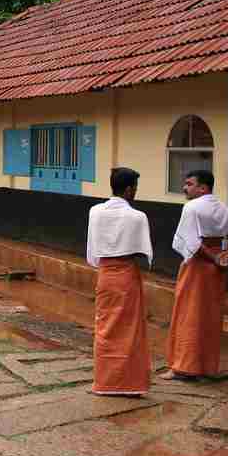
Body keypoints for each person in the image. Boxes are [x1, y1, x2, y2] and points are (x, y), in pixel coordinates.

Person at [162, 169, 228, 381]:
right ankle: (206, 367)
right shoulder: (223, 208)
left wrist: (214, 258)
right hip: (217, 269)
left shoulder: (192, 207)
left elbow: (193, 243)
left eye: (189, 184)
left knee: (187, 313)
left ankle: (182, 367)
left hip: (199, 265)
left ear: (203, 188)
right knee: (210, 315)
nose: (184, 187)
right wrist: (225, 257)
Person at [85, 167, 154, 396]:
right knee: (129, 329)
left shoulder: (95, 211)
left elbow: (92, 250)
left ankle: (105, 382)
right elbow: (144, 252)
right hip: (126, 274)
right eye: (135, 188)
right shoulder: (137, 216)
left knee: (104, 326)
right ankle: (128, 382)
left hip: (105, 273)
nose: (135, 192)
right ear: (128, 189)